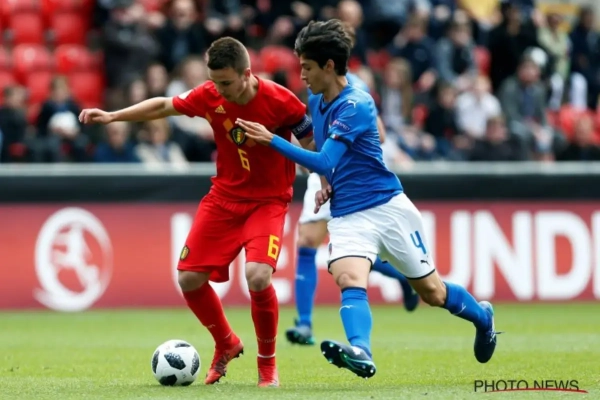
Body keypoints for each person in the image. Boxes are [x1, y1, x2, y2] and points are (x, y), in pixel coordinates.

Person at [236, 19, 500, 379]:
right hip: (347, 213)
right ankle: (361, 350)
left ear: (329, 66)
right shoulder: (316, 100)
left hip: (387, 208)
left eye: (308, 67)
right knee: (348, 277)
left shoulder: (356, 104)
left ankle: (483, 317)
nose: (303, 75)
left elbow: (324, 158)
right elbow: (323, 157)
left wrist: (271, 140)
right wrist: (326, 183)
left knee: (433, 293)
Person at [79, 37, 314, 388]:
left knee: (258, 276)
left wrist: (318, 175)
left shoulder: (282, 101)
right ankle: (227, 343)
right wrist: (115, 115)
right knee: (189, 278)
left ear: (247, 74)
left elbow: (311, 145)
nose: (219, 90)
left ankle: (267, 365)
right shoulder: (210, 95)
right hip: (224, 199)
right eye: (214, 81)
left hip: (268, 202)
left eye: (226, 82)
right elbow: (164, 106)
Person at [285, 27, 420, 347]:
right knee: (307, 241)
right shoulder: (316, 86)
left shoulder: (355, 89)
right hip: (324, 173)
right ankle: (304, 324)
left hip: (350, 176)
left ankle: (404, 278)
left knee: (353, 252)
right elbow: (316, 136)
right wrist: (317, 168)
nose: (303, 71)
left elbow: (380, 134)